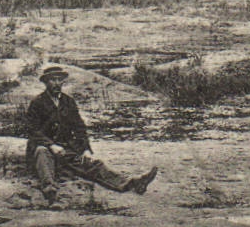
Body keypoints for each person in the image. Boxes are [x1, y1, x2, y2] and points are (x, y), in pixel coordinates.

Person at [24, 65, 157, 204]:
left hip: (65, 151)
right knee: (42, 151)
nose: (57, 83)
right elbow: (32, 130)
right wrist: (51, 145)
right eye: (52, 80)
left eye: (59, 80)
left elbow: (79, 128)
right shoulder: (37, 102)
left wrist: (85, 148)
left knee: (94, 164)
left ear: (63, 82)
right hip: (43, 151)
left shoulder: (68, 102)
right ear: (46, 82)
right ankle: (49, 191)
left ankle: (132, 183)